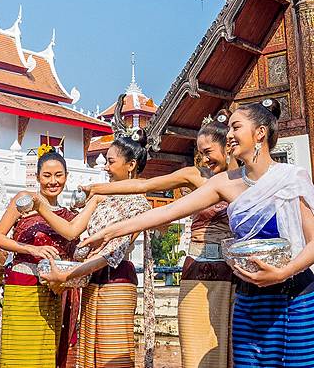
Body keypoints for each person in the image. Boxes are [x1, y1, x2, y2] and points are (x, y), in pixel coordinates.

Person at [82, 98, 314, 368]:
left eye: (236, 127)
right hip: (250, 295)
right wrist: (111, 231)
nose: (229, 135)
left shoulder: (291, 178)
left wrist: (283, 272)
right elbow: (165, 213)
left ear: (259, 132)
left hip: (294, 295)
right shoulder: (224, 183)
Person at [79, 111, 237, 368]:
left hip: (232, 273)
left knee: (230, 349)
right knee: (196, 351)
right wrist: (97, 189)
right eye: (200, 154)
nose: (204, 160)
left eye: (209, 152)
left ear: (228, 147)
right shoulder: (196, 176)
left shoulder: (244, 181)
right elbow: (145, 185)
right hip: (197, 267)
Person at [34, 132, 151, 368]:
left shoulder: (140, 205)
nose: (106, 167)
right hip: (90, 279)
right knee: (89, 352)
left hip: (116, 280)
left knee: (111, 352)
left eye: (111, 161)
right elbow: (71, 231)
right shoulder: (101, 197)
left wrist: (68, 275)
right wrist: (40, 207)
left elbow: (113, 253)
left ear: (131, 165)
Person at [0, 147, 79, 368]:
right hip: (22, 287)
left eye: (58, 175)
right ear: (38, 177)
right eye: (47, 175)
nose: (53, 181)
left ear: (66, 177)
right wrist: (32, 250)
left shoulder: (69, 216)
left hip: (55, 291)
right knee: (20, 355)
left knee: (46, 354)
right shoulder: (24, 201)